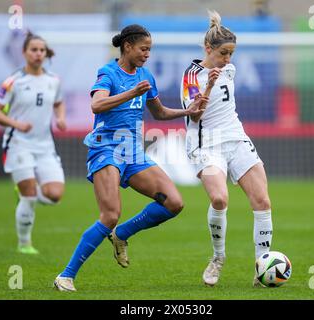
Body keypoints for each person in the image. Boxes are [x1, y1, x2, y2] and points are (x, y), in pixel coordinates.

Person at [54, 24, 207, 292]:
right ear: (127, 46)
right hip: (105, 149)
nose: (147, 54)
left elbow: (158, 113)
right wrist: (131, 93)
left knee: (174, 203)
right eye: (143, 49)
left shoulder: (145, 75)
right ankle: (65, 276)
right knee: (110, 214)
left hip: (133, 152)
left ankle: (122, 234)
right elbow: (96, 104)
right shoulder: (108, 72)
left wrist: (187, 111)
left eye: (149, 50)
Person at [180, 10, 273, 287]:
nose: (228, 60)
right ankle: (218, 258)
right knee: (220, 199)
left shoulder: (229, 69)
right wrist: (207, 86)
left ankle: (263, 265)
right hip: (205, 142)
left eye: (231, 53)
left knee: (263, 201)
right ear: (208, 49)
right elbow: (194, 116)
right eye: (223, 53)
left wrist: (219, 73)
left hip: (236, 137)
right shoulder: (191, 75)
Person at [0, 31, 67, 255]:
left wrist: (60, 118)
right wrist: (16, 123)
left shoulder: (54, 80)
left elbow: (59, 103)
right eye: (34, 50)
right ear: (24, 53)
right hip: (18, 144)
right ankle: (24, 244)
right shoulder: (13, 81)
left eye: (42, 50)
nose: (38, 54)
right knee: (29, 195)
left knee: (55, 195)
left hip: (45, 146)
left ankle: (26, 189)